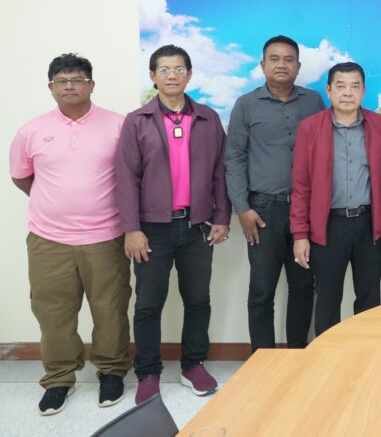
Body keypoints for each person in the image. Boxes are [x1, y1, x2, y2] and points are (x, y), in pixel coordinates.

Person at [9, 54, 131, 415]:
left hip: (106, 236)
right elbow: (21, 177)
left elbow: (131, 176)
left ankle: (111, 371)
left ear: (91, 85)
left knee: (110, 309)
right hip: (49, 240)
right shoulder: (31, 130)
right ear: (51, 88)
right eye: (61, 81)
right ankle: (59, 378)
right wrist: (57, 204)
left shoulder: (118, 125)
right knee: (53, 313)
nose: (69, 87)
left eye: (77, 80)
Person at [115, 44, 230, 405]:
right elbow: (126, 178)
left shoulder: (208, 118)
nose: (171, 76)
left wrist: (222, 217)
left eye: (179, 69)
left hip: (197, 226)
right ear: (152, 76)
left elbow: (221, 171)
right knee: (149, 304)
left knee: (198, 300)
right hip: (152, 229)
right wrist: (132, 229)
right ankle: (148, 372)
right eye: (163, 70)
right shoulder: (137, 121)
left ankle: (193, 365)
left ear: (189, 75)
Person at [225, 35, 325, 351]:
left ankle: (297, 353)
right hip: (263, 211)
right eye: (275, 59)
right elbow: (234, 158)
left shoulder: (313, 101)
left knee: (303, 286)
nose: (282, 65)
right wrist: (242, 208)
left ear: (298, 66)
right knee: (262, 290)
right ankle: (262, 358)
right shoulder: (246, 104)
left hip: (305, 211)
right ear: (262, 64)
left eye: (288, 59)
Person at [291, 62, 381, 335]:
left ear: (363, 91)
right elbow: (301, 185)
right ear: (329, 90)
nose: (347, 92)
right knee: (327, 298)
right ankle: (328, 357)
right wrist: (300, 234)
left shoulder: (380, 126)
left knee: (369, 298)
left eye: (354, 86)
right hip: (328, 226)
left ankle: (366, 353)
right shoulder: (310, 128)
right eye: (340, 86)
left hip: (369, 225)